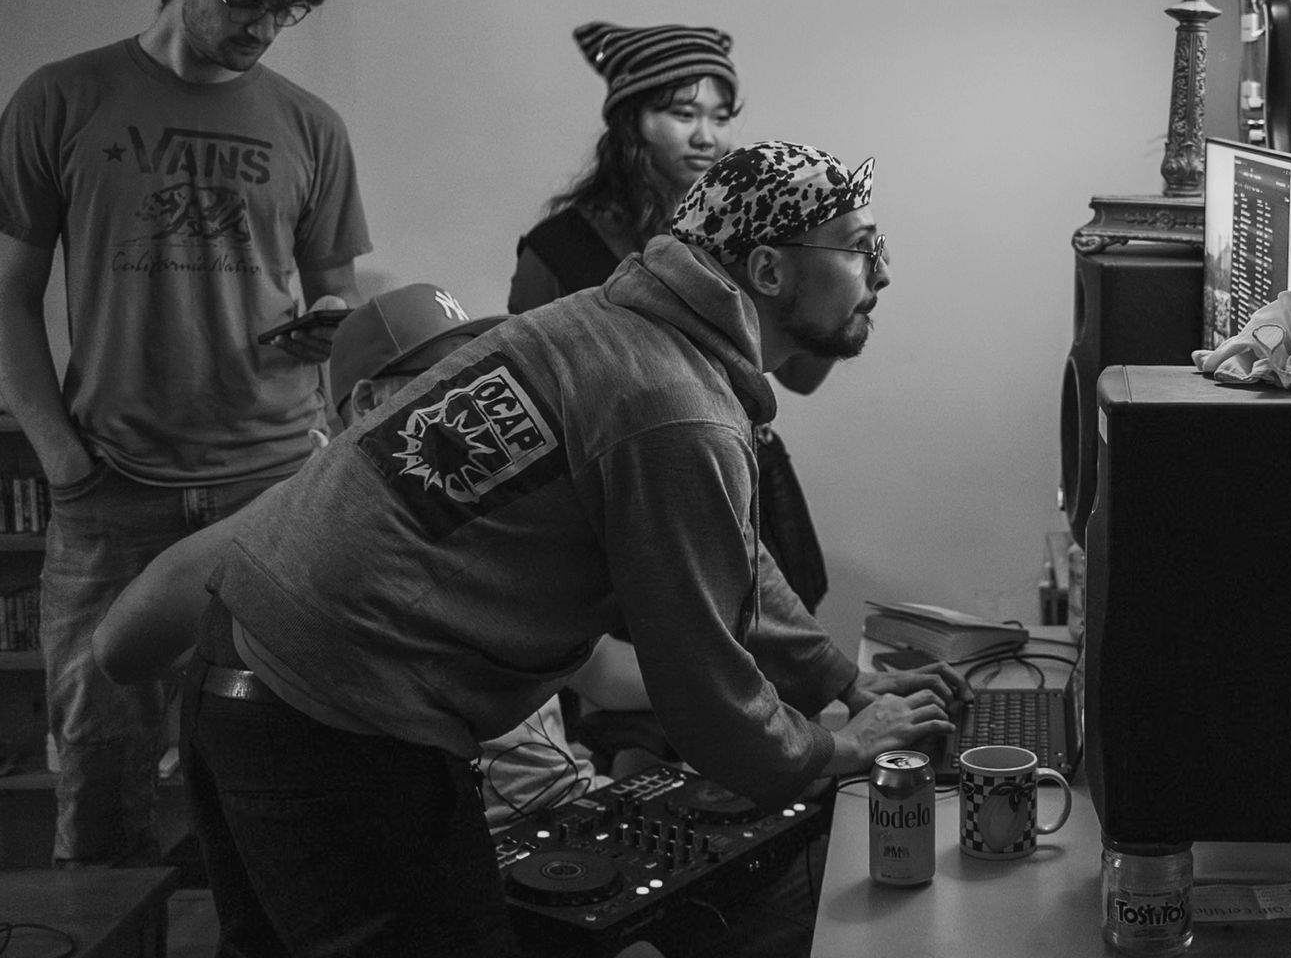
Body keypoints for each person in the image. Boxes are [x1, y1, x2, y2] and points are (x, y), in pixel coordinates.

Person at [177, 140, 962, 955]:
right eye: (862, 244)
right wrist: (838, 750)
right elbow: (705, 698)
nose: (884, 271)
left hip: (235, 672)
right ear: (767, 270)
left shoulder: (621, 336)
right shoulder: (675, 403)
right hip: (337, 716)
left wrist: (844, 682)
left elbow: (724, 552)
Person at [0, 0, 369, 867]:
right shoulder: (60, 99)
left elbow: (339, 288)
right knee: (100, 762)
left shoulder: (309, 126)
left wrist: (333, 319)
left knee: (282, 749)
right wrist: (60, 456)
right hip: (114, 487)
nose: (261, 30)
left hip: (275, 480)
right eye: (243, 1)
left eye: (284, 11)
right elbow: (9, 290)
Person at [89, 281, 650, 833]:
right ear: (367, 405)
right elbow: (120, 647)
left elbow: (604, 673)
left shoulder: (500, 525)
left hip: (571, 806)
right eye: (443, 379)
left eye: (478, 372)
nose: (472, 395)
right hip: (448, 841)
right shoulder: (303, 534)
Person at [510, 21, 830, 610]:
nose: (707, 136)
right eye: (684, 113)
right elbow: (537, 419)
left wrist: (834, 279)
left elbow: (800, 378)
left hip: (744, 486)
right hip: (621, 514)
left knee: (774, 670)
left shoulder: (743, 238)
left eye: (721, 115)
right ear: (631, 121)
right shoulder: (559, 250)